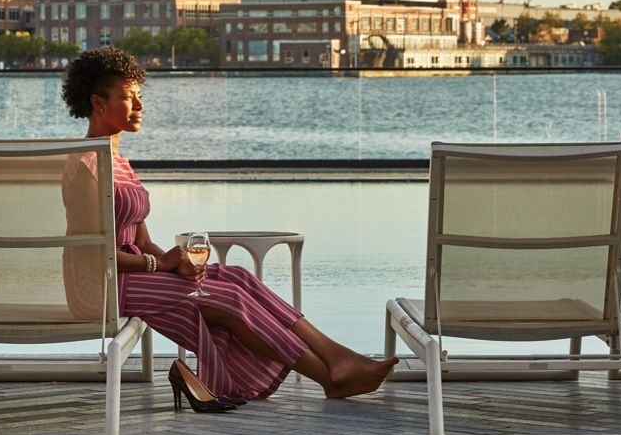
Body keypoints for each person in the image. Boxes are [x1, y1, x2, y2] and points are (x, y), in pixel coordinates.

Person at [61, 47, 397, 403]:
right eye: (129, 98)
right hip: (99, 289)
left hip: (129, 274)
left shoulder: (120, 162)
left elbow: (142, 240)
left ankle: (335, 356)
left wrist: (180, 265)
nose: (140, 105)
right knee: (232, 300)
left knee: (238, 276)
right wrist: (160, 265)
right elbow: (90, 257)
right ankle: (329, 377)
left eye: (139, 96)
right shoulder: (85, 166)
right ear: (98, 103)